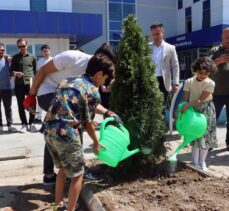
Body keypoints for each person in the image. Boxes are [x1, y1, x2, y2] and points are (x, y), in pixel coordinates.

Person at [25, 43, 116, 186]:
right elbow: (43, 70)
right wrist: (31, 94)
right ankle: (78, 169)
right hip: (47, 92)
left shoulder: (94, 76)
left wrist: (106, 112)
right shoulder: (73, 58)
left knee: (55, 129)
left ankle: (52, 175)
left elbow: (88, 101)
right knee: (69, 125)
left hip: (62, 95)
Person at [41, 53, 114, 211]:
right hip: (66, 133)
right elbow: (88, 125)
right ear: (99, 74)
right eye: (106, 79)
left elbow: (65, 105)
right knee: (77, 174)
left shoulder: (67, 80)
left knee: (63, 169)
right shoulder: (93, 91)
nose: (105, 83)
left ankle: (57, 205)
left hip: (49, 130)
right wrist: (96, 143)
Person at [181, 57, 218, 171]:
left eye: (206, 73)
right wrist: (180, 111)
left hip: (206, 110)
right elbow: (184, 99)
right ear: (195, 70)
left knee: (205, 138)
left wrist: (187, 105)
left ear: (209, 72)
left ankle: (202, 162)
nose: (203, 75)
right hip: (193, 111)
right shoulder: (189, 82)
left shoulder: (211, 83)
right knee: (195, 136)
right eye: (200, 72)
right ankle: (195, 162)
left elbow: (200, 100)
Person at [10, 38, 37, 133]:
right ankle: (24, 124)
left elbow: (36, 72)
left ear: (27, 45)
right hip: (19, 84)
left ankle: (32, 123)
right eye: (20, 46)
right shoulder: (15, 57)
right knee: (21, 105)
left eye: (23, 46)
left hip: (30, 84)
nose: (22, 48)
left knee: (32, 104)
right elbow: (11, 71)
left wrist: (36, 84)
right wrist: (16, 73)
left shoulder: (33, 57)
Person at [208, 27, 229, 151]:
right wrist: (218, 60)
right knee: (211, 120)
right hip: (216, 93)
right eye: (226, 37)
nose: (228, 39)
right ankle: (209, 143)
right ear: (221, 37)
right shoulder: (214, 50)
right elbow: (205, 67)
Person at [149, 22, 180, 104]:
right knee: (152, 105)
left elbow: (175, 66)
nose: (155, 36)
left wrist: (176, 83)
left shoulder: (171, 48)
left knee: (164, 106)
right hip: (151, 81)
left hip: (164, 82)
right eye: (153, 34)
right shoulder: (147, 47)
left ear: (163, 32)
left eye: (157, 34)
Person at [0, 43, 17, 132]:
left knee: (8, 107)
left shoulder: (8, 60)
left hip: (7, 88)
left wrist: (16, 73)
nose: (1, 51)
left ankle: (10, 124)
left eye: (2, 50)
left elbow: (12, 71)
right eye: (0, 50)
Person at [34, 44, 53, 124]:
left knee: (53, 102)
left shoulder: (53, 60)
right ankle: (38, 118)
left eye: (47, 51)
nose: (46, 52)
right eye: (44, 51)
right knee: (40, 101)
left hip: (53, 84)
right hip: (43, 84)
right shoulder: (40, 61)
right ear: (42, 52)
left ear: (50, 51)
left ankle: (51, 117)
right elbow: (38, 73)